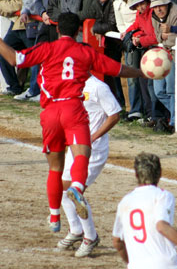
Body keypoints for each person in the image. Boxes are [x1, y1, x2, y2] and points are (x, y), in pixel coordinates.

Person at [0, 12, 144, 233]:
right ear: (78, 32)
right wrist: (143, 73)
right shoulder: (85, 51)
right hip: (73, 108)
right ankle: (77, 187)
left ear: (58, 30)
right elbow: (117, 69)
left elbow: (14, 59)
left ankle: (55, 216)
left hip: (50, 112)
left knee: (55, 168)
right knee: (81, 155)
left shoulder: (47, 48)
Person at [58, 75, 121, 257]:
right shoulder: (70, 84)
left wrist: (93, 137)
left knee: (75, 192)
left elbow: (114, 115)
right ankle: (76, 230)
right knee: (60, 188)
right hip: (75, 146)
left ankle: (90, 237)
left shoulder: (98, 87)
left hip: (94, 151)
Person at [112, 152, 177, 268]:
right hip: (164, 264)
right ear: (160, 173)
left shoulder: (125, 201)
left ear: (136, 175)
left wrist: (132, 263)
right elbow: (162, 226)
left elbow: (117, 242)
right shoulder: (163, 196)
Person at [150, 0, 177, 132]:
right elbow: (157, 36)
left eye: (161, 5)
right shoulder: (153, 15)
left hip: (175, 54)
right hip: (161, 53)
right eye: (156, 6)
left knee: (171, 90)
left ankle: (175, 121)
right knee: (159, 91)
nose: (158, 9)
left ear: (167, 4)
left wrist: (164, 37)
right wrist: (162, 37)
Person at [113, 0, 142, 120]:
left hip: (142, 35)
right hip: (128, 39)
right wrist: (126, 35)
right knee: (131, 74)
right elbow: (119, 22)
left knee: (143, 75)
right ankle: (134, 109)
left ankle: (142, 109)